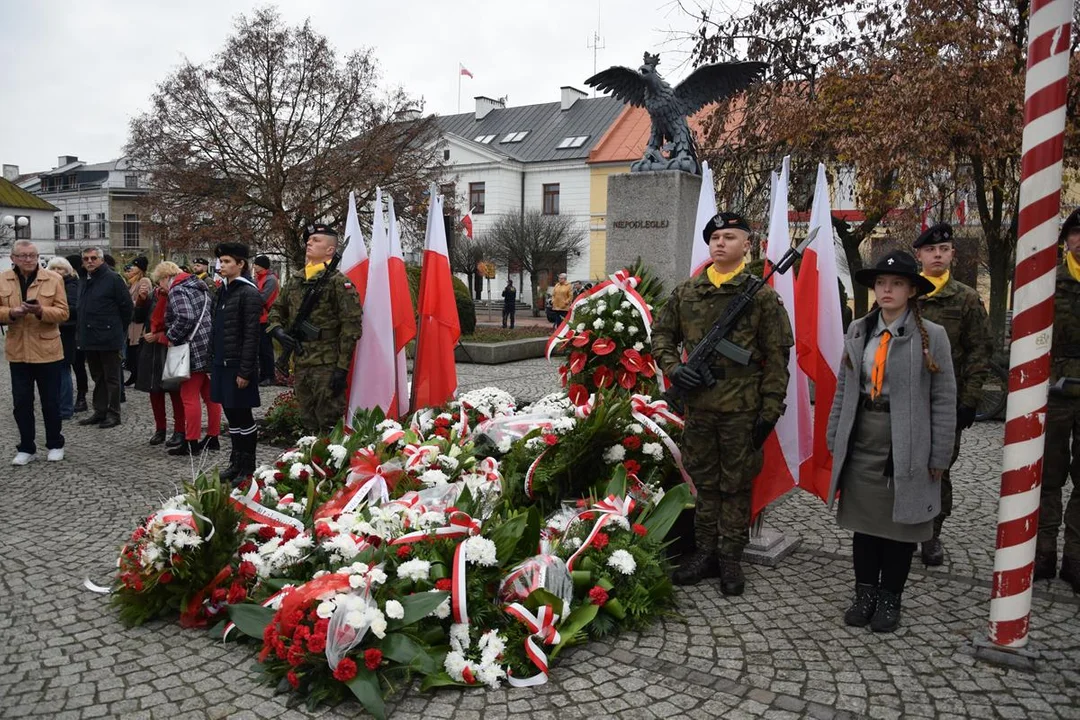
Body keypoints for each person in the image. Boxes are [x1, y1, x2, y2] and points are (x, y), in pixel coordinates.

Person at [652, 212, 793, 594]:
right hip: (699, 406)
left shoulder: (761, 296)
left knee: (736, 484)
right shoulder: (687, 292)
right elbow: (662, 334)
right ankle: (704, 552)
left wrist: (770, 410)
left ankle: (730, 557)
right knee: (705, 483)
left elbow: (777, 358)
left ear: (747, 245)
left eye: (730, 237)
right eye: (715, 237)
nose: (720, 243)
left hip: (742, 409)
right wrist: (674, 370)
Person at [826, 249, 956, 633]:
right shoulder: (859, 331)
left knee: (900, 529)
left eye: (897, 283)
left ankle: (889, 598)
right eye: (881, 283)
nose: (887, 290)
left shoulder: (933, 336)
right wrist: (835, 435)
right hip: (863, 437)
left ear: (911, 290)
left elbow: (944, 398)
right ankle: (864, 593)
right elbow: (843, 388)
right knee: (864, 526)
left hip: (907, 443)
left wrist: (939, 453)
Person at [913, 223, 993, 566]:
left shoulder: (967, 298)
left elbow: (979, 352)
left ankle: (932, 534)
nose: (937, 255)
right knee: (902, 463)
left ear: (953, 255)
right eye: (931, 250)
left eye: (944, 249)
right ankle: (902, 530)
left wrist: (969, 401)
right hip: (905, 398)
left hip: (946, 400)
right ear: (919, 255)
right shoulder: (905, 291)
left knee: (939, 469)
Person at [267, 223, 363, 433]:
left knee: (329, 424)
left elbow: (351, 326)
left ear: (330, 250)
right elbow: (276, 310)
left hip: (327, 363)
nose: (309, 243)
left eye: (316, 240)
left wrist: (342, 367)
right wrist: (278, 332)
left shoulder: (339, 283)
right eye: (309, 241)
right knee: (307, 420)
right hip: (301, 361)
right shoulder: (296, 280)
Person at [1037, 208, 1080, 591]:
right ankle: (1044, 551)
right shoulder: (1049, 282)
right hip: (1056, 393)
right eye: (1076, 233)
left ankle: (1076, 558)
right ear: (1066, 239)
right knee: (1048, 476)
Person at [0, 241, 70, 464]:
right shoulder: (2, 279)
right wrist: (13, 312)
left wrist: (41, 310)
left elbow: (63, 313)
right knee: (21, 402)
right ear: (13, 258)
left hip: (47, 349)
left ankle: (55, 443)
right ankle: (26, 447)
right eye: (23, 256)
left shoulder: (54, 278)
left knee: (50, 401)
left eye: (32, 255)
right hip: (18, 350)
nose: (28, 259)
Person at [152, 261, 222, 456]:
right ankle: (213, 436)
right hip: (208, 344)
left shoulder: (178, 290)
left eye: (160, 283)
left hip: (191, 348)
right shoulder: (199, 285)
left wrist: (171, 337)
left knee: (189, 396)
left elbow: (185, 317)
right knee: (210, 395)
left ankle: (191, 442)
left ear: (166, 277)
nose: (160, 288)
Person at [209, 242, 263, 484]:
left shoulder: (248, 293)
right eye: (221, 261)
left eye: (228, 261)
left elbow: (252, 335)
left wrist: (245, 370)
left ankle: (247, 466)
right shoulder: (223, 290)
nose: (222, 265)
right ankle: (235, 462)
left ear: (241, 264)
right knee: (231, 415)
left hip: (238, 364)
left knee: (243, 416)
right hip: (222, 362)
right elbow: (216, 327)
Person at [77, 246, 134, 429]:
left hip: (109, 336)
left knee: (112, 378)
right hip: (90, 337)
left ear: (101, 260)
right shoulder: (85, 279)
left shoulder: (113, 279)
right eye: (86, 259)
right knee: (97, 376)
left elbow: (127, 308)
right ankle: (100, 411)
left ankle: (113, 413)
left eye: (93, 258)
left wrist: (118, 330)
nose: (90, 261)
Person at [136, 276, 186, 448]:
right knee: (154, 391)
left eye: (168, 278)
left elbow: (184, 324)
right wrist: (141, 301)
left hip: (170, 348)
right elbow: (137, 318)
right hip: (152, 350)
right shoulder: (154, 296)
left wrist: (159, 336)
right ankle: (160, 429)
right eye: (162, 279)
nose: (164, 283)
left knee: (175, 392)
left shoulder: (179, 296)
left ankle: (180, 430)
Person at [46, 257, 79, 420]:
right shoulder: (49, 285)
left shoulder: (71, 286)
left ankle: (65, 408)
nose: (57, 272)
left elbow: (73, 310)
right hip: (51, 333)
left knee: (63, 370)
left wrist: (54, 313)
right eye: (53, 268)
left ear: (67, 271)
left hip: (65, 333)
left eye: (60, 269)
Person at [124, 256, 153, 387]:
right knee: (132, 351)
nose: (132, 268)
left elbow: (145, 299)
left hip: (139, 321)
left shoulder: (144, 280)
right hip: (132, 321)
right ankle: (134, 374)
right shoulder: (133, 282)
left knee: (136, 351)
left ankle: (137, 375)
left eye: (135, 266)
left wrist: (130, 303)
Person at [66, 254, 89, 412]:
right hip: (62, 330)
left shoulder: (79, 283)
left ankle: (81, 396)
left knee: (78, 365)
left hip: (75, 330)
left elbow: (78, 308)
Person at [253, 254, 280, 385]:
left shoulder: (270, 280)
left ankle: (270, 375)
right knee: (259, 349)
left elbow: (263, 298)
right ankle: (263, 375)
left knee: (266, 348)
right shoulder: (258, 279)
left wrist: (251, 293)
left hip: (266, 318)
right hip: (259, 318)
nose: (254, 267)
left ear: (262, 266)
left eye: (256, 265)